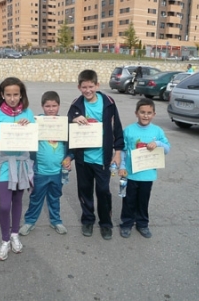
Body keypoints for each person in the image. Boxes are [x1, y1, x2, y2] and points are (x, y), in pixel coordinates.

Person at [67, 69, 124, 240]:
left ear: (97, 85)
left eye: (91, 86)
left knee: (103, 191)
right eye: (84, 87)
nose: (87, 90)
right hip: (83, 159)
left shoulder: (108, 102)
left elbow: (117, 128)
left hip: (102, 158)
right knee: (84, 191)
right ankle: (88, 220)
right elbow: (68, 123)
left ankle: (106, 223)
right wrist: (73, 119)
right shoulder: (76, 104)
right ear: (79, 87)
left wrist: (118, 152)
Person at [0, 77, 35, 261]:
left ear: (21, 94)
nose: (13, 98)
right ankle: (5, 239)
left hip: (22, 164)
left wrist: (27, 129)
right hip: (6, 165)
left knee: (17, 201)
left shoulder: (28, 113)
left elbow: (33, 138)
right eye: (8, 94)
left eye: (16, 94)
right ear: (2, 94)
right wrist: (12, 132)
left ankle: (14, 234)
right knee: (5, 205)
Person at [19, 91, 71, 236]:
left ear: (59, 106)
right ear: (42, 106)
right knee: (36, 198)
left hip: (57, 171)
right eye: (47, 106)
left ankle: (56, 221)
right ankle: (30, 221)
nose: (51, 109)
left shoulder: (63, 124)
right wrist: (25, 123)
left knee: (55, 197)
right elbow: (26, 133)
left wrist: (69, 157)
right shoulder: (37, 121)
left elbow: (71, 145)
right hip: (40, 171)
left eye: (54, 106)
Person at [118, 98, 170, 239]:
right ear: (136, 113)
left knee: (143, 201)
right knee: (128, 201)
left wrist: (158, 143)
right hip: (130, 174)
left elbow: (167, 149)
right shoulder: (128, 130)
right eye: (142, 112)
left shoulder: (157, 131)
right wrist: (122, 166)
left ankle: (142, 224)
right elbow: (122, 150)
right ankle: (126, 223)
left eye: (149, 112)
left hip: (147, 175)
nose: (145, 115)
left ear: (154, 114)